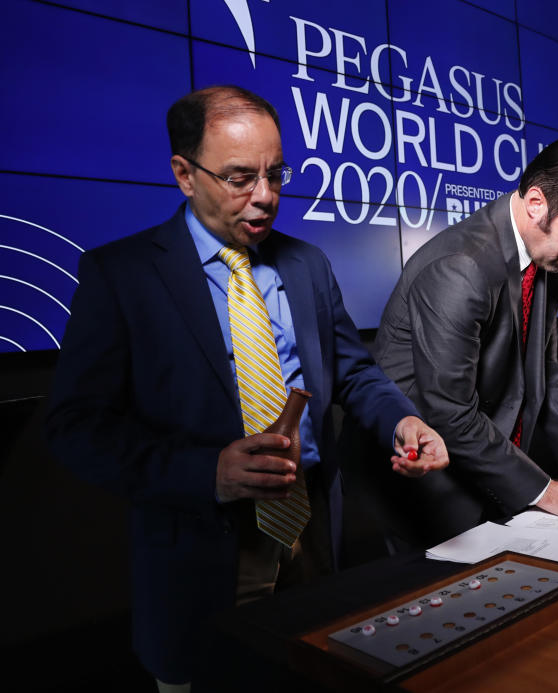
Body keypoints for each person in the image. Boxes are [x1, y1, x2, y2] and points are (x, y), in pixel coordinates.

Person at [44, 85, 448, 690]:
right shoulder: (120, 275)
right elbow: (75, 427)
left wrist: (401, 420)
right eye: (239, 178)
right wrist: (206, 472)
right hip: (201, 553)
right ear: (185, 174)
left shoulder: (306, 264)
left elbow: (354, 371)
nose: (264, 197)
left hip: (312, 533)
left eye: (275, 174)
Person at [367, 135, 558, 548]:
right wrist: (550, 493)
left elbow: (547, 370)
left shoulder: (549, 255)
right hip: (423, 486)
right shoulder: (460, 268)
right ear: (536, 204)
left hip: (490, 474)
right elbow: (450, 413)